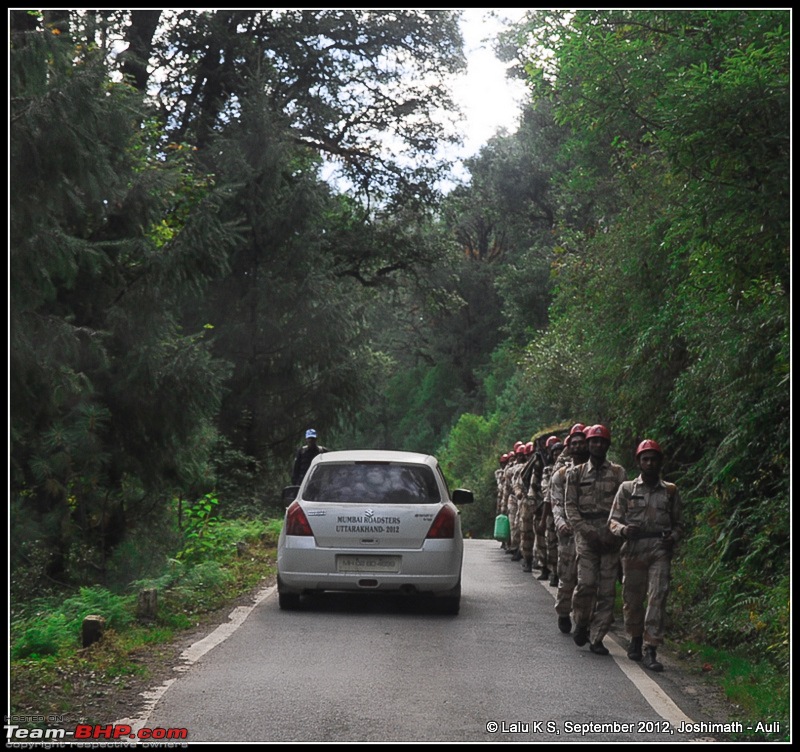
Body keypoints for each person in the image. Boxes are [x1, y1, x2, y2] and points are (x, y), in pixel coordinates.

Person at [608, 439, 684, 672]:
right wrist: (622, 530)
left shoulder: (670, 491)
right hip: (633, 550)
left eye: (653, 459)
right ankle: (635, 638)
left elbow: (680, 524)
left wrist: (674, 536)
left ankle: (651, 648)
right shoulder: (627, 489)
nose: (649, 463)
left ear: (660, 462)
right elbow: (612, 520)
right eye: (645, 459)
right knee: (632, 599)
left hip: (659, 550)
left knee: (657, 596)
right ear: (638, 462)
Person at [564, 423, 626, 656]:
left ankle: (597, 637)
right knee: (586, 584)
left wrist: (614, 532)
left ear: (607, 445)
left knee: (607, 590)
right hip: (587, 536)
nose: (597, 445)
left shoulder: (619, 473)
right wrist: (587, 531)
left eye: (602, 441)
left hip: (611, 537)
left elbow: (624, 507)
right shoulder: (575, 473)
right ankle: (581, 621)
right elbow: (570, 507)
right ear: (588, 445)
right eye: (594, 441)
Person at [550, 424, 589, 633]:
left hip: (590, 534)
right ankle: (563, 612)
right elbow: (556, 502)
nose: (578, 446)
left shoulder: (598, 472)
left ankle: (584, 620)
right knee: (567, 577)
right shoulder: (561, 474)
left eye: (582, 442)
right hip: (568, 533)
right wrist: (561, 523)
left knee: (587, 581)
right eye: (574, 443)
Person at [537, 436, 563, 585]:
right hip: (552, 510)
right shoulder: (548, 470)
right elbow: (547, 489)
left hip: (566, 510)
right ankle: (553, 571)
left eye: (560, 451)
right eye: (554, 452)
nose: (557, 455)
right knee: (551, 542)